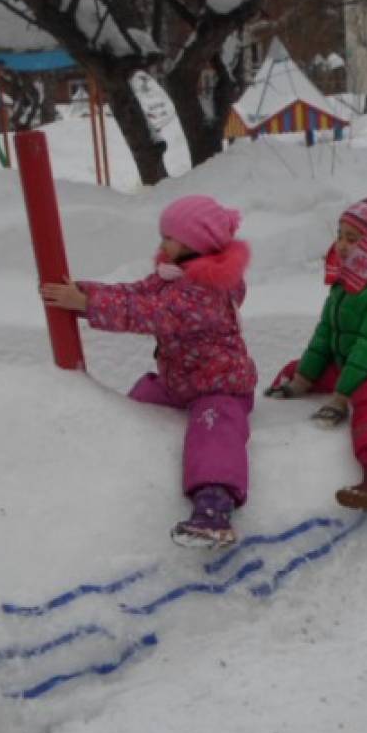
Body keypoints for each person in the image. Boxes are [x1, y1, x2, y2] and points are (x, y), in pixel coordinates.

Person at [41, 195, 257, 548]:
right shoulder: (173, 276)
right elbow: (135, 293)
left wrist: (88, 305)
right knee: (139, 400)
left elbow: (149, 313)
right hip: (180, 382)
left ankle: (213, 506)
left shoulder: (205, 291)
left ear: (195, 242)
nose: (161, 244)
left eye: (168, 237)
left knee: (214, 431)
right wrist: (85, 292)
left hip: (221, 386)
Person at [265, 184, 367, 512]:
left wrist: (341, 398)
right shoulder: (346, 281)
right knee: (298, 367)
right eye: (341, 235)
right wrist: (302, 381)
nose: (342, 244)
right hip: (355, 360)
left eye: (353, 239)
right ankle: (292, 386)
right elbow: (326, 334)